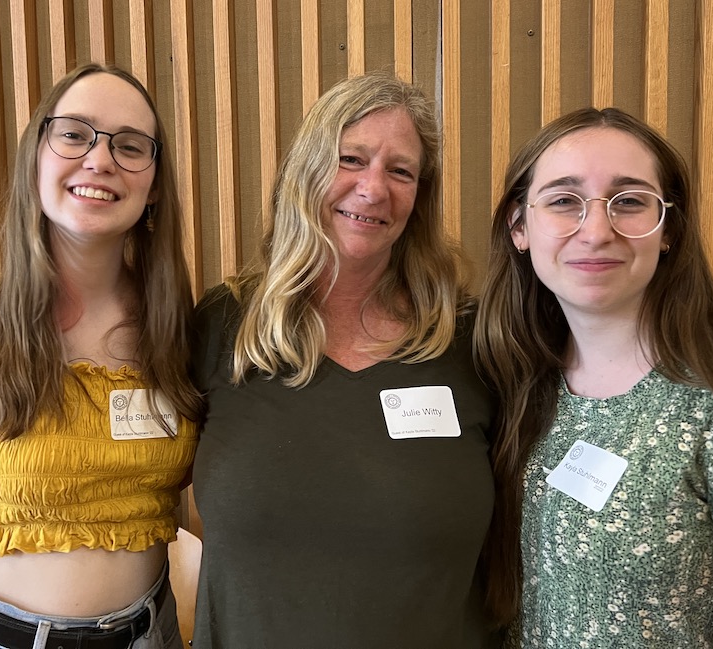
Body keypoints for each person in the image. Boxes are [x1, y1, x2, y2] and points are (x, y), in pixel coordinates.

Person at [0, 62, 202, 649]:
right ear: (38, 155)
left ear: (155, 184)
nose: (100, 160)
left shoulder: (181, 335)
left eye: (130, 145)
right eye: (74, 134)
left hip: (148, 633)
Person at [190, 72, 496, 648]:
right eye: (350, 158)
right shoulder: (223, 325)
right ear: (306, 170)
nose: (373, 188)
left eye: (400, 171)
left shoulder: (473, 339)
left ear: (420, 196)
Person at [475, 107, 713, 647]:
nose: (596, 231)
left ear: (669, 232)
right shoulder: (516, 385)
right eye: (565, 201)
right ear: (520, 227)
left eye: (630, 202)